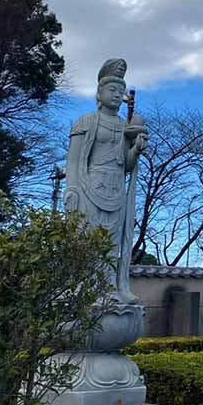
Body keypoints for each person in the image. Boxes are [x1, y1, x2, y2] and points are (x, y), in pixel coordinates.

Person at [64, 58, 148, 301]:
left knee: (112, 243)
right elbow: (73, 160)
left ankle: (109, 288)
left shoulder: (125, 126)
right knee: (87, 238)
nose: (116, 95)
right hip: (90, 184)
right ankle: (82, 286)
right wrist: (71, 189)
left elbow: (127, 166)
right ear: (99, 93)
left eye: (120, 91)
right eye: (112, 89)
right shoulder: (87, 121)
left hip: (115, 189)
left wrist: (136, 150)